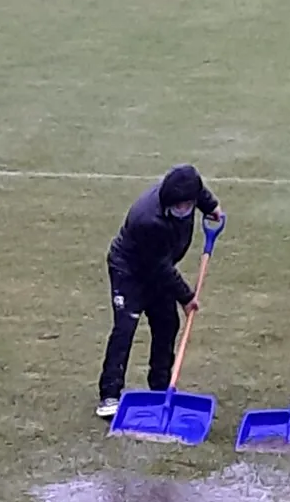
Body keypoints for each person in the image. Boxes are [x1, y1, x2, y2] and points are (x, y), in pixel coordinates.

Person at [96, 164, 225, 419]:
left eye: (187, 204)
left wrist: (211, 207)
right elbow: (160, 268)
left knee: (167, 324)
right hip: (129, 270)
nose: (184, 209)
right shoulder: (148, 219)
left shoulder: (189, 190)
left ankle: (160, 388)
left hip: (158, 267)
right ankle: (109, 394)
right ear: (169, 202)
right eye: (179, 206)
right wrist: (187, 297)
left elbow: (199, 192)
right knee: (125, 327)